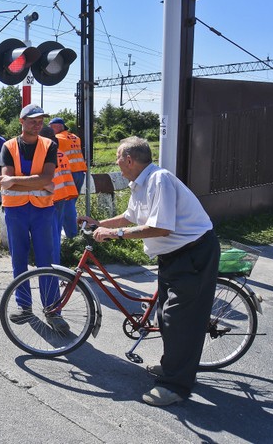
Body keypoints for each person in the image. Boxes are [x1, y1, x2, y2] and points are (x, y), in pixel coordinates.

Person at [78, 136, 219, 407]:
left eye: (118, 158)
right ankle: (173, 367)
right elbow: (130, 217)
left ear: (129, 160)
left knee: (179, 320)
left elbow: (161, 228)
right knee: (164, 317)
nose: (117, 163)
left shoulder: (159, 180)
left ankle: (175, 386)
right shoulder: (140, 183)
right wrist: (99, 223)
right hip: (172, 256)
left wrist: (115, 234)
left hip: (193, 254)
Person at [0, 105, 68, 333]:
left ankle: (53, 311)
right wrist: (37, 182)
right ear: (22, 121)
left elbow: (47, 177)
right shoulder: (8, 146)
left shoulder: (49, 145)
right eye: (32, 121)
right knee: (18, 259)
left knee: (47, 261)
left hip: (42, 210)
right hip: (15, 210)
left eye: (40, 121)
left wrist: (15, 181)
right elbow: (5, 181)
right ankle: (24, 307)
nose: (37, 125)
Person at [40, 126, 78, 265]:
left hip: (50, 198)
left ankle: (53, 266)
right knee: (56, 233)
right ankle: (56, 264)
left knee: (50, 235)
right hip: (62, 196)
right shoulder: (61, 153)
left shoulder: (44, 155)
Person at [49, 117, 87, 237]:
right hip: (80, 172)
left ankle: (71, 235)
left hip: (68, 174)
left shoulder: (58, 138)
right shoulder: (75, 137)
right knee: (69, 205)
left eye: (51, 127)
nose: (50, 130)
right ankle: (68, 231)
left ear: (58, 126)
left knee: (67, 205)